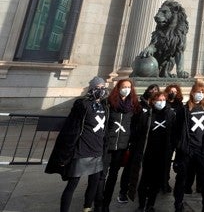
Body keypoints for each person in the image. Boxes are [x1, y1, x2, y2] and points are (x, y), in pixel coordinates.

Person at [46, 76, 109, 212]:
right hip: (82, 150)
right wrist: (64, 154)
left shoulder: (104, 106)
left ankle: (87, 208)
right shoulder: (82, 104)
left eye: (103, 87)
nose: (101, 90)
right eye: (97, 88)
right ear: (91, 89)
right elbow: (71, 128)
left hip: (97, 149)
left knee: (94, 183)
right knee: (72, 183)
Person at [173, 81, 204, 212]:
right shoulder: (184, 109)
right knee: (181, 179)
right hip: (187, 149)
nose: (200, 94)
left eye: (202, 92)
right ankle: (178, 204)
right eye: (198, 91)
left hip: (202, 150)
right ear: (192, 93)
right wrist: (179, 146)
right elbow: (176, 129)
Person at [100, 79, 142, 210]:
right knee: (101, 175)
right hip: (107, 145)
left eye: (129, 87)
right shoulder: (108, 103)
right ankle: (97, 201)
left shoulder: (133, 105)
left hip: (122, 146)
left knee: (113, 175)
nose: (126, 89)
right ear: (118, 88)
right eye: (124, 86)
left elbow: (136, 125)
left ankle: (105, 203)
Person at [133, 91, 176, 211]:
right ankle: (141, 204)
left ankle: (151, 204)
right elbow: (139, 132)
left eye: (163, 100)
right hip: (148, 152)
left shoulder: (170, 114)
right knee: (145, 180)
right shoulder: (147, 114)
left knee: (156, 181)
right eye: (158, 100)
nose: (161, 102)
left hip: (163, 152)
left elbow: (174, 132)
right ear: (152, 101)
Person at [162, 84, 184, 193]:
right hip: (166, 136)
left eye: (175, 92)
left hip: (177, 136)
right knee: (165, 162)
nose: (173, 93)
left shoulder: (180, 105)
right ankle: (164, 182)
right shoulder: (164, 104)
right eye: (171, 91)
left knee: (178, 162)